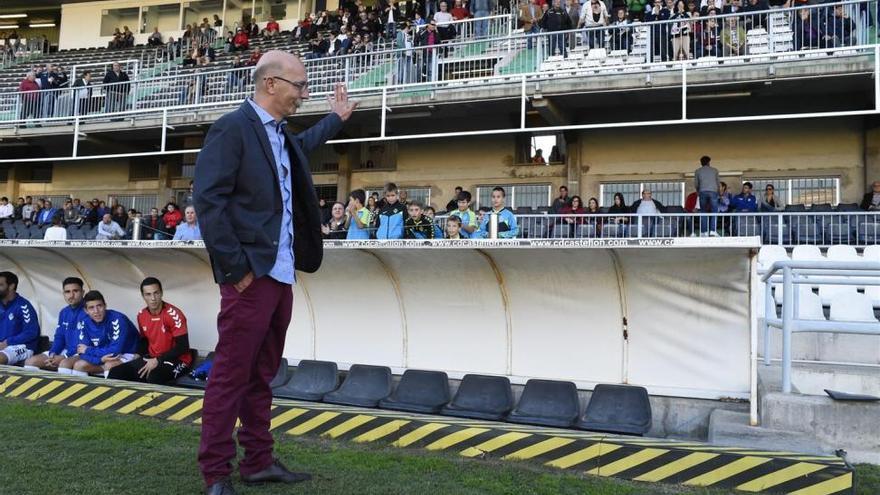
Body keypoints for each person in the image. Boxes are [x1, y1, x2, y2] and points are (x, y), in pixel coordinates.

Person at [194, 50, 357, 495]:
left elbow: (300, 152)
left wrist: (335, 119)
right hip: (251, 276)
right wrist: (235, 270)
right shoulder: (232, 128)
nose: (303, 94)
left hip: (281, 274)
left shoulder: (280, 136)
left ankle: (258, 461)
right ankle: (215, 472)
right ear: (271, 84)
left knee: (262, 373)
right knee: (231, 373)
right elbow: (209, 201)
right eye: (299, 86)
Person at [107, 278, 193, 384]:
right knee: (116, 372)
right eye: (148, 294)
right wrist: (138, 355)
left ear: (161, 293)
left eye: (156, 293)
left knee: (154, 377)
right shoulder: (141, 315)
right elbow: (145, 341)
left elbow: (183, 347)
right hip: (153, 358)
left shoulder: (174, 314)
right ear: (143, 296)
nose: (153, 298)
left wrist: (158, 360)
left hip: (178, 360)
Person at [59, 290, 139, 377]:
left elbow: (114, 351)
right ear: (86, 310)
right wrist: (100, 359)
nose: (96, 311)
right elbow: (81, 352)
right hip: (101, 354)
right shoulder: (84, 322)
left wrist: (88, 350)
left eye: (99, 306)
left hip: (126, 353)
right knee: (78, 365)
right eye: (91, 308)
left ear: (105, 306)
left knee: (109, 365)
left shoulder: (118, 319)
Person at [23, 277, 85, 372]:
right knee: (31, 362)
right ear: (63, 294)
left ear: (83, 292)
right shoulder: (64, 312)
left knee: (64, 364)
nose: (71, 295)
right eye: (67, 292)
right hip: (65, 351)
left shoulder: (89, 311)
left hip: (81, 353)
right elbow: (59, 336)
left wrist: (64, 356)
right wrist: (53, 353)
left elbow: (85, 342)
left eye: (75, 291)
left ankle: (66, 387)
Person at [0, 272, 40, 366]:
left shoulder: (23, 306)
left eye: (0, 285)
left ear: (11, 286)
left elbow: (31, 332)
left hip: (23, 346)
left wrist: (8, 342)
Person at [694, 155, 719, 235]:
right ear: (709, 162)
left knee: (703, 211)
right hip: (713, 191)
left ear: (701, 163)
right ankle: (712, 231)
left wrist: (698, 191)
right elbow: (717, 182)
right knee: (714, 210)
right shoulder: (715, 170)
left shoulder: (698, 171)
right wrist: (717, 192)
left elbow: (696, 183)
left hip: (702, 191)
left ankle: (703, 232)